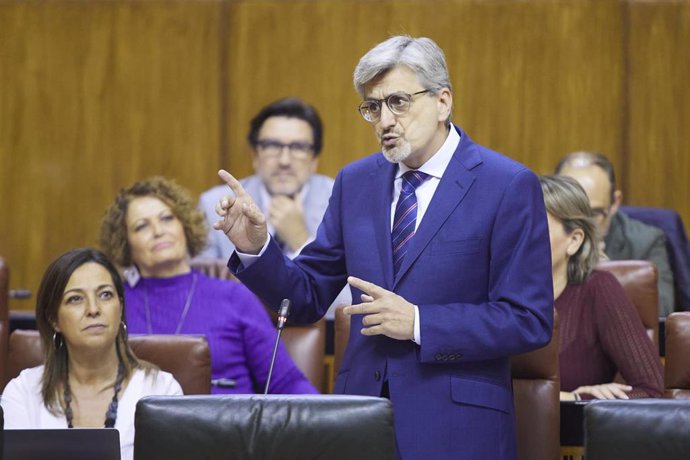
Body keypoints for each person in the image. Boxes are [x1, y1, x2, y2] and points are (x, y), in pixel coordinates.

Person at [213, 36, 554, 459]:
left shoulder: (505, 185)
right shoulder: (356, 181)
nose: (384, 120)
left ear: (442, 101)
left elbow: (528, 319)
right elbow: (304, 298)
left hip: (457, 428)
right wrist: (256, 248)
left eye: (398, 101)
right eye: (372, 108)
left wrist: (418, 322)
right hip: (362, 418)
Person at [99, 176, 317, 395]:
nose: (158, 231)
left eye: (167, 218)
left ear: (184, 225)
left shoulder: (234, 298)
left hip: (230, 424)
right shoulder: (114, 306)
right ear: (124, 242)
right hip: (140, 427)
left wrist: (329, 425)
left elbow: (286, 382)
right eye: (142, 226)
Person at [1, 248, 183, 460]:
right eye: (75, 299)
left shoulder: (161, 391)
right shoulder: (23, 392)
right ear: (53, 319)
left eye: (105, 295)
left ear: (120, 307)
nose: (93, 309)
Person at [540, 175, 663, 400]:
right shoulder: (492, 292)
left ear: (574, 240)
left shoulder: (599, 290)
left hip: (572, 433)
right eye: (515, 228)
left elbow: (652, 391)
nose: (520, 239)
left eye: (536, 229)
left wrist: (581, 400)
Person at [198, 97, 334, 260]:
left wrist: (301, 241)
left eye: (298, 147)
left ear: (314, 159)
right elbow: (202, 282)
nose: (284, 161)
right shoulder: (214, 204)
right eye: (272, 145)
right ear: (255, 155)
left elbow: (351, 285)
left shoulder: (340, 203)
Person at [555, 151, 675, 316]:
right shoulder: (538, 237)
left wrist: (606, 274)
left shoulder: (646, 242)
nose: (580, 226)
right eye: (569, 212)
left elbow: (662, 310)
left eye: (593, 213)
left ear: (614, 203)